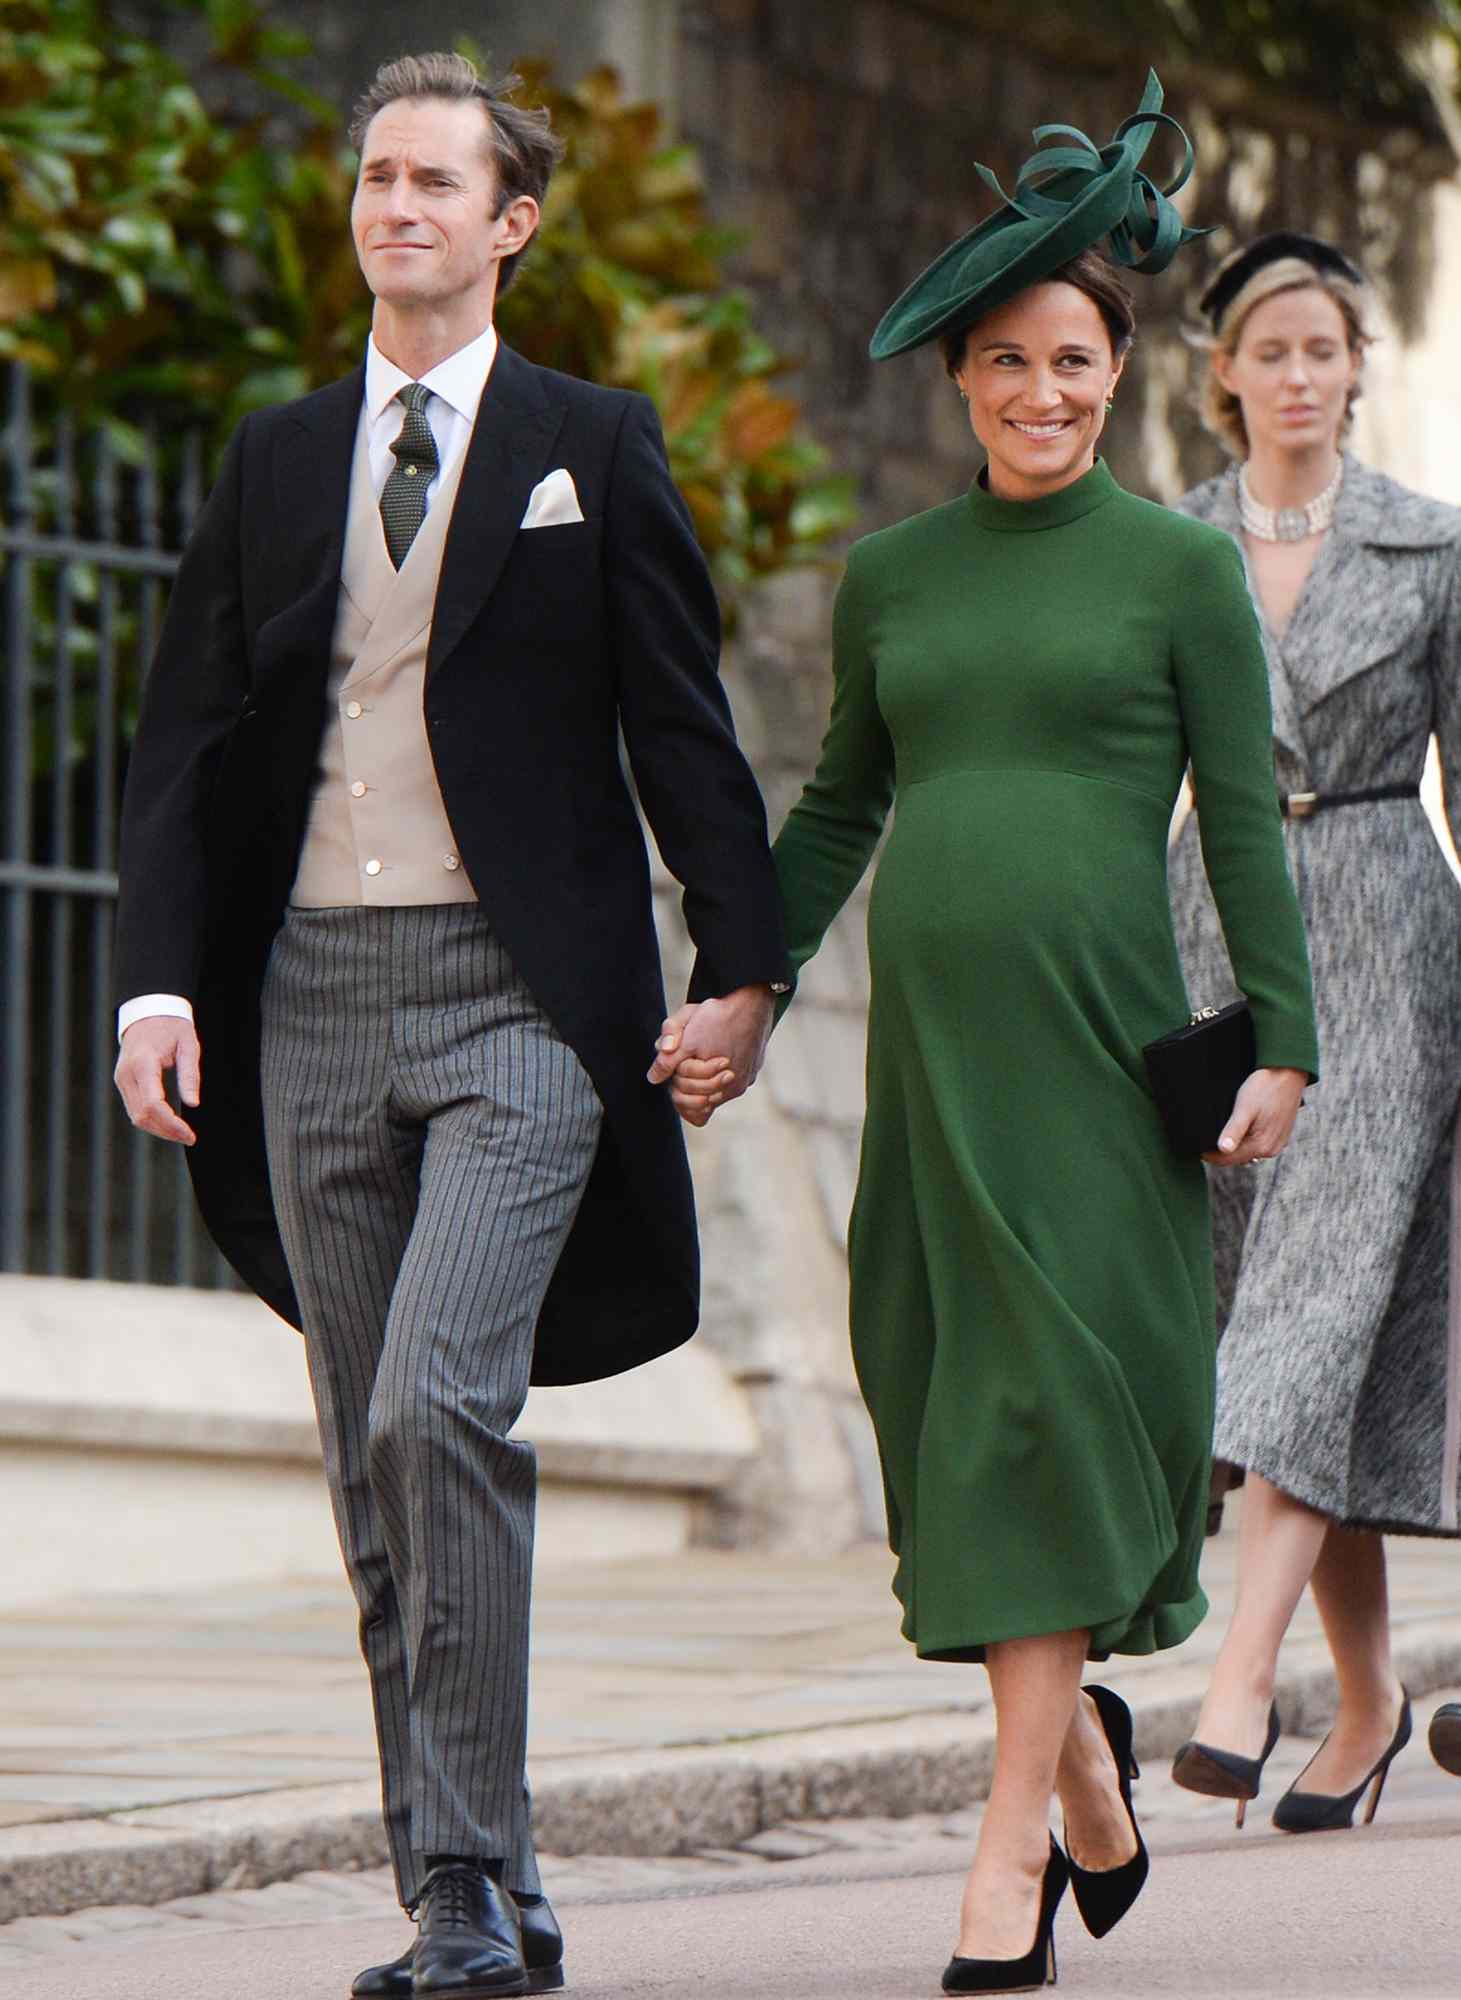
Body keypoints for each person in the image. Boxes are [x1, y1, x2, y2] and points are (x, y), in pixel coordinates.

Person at [112, 51, 788, 2000]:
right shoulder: (271, 457)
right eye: (377, 178)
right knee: (364, 1464)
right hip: (309, 996)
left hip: (519, 1007)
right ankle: (462, 1891)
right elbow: (189, 741)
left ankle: (473, 1870)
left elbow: (681, 726)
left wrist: (735, 970)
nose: (398, 205)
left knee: (436, 1402)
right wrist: (160, 977)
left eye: (440, 183)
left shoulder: (595, 439)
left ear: (511, 225)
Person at [652, 74, 1317, 1994]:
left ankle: (1004, 1858)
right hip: (935, 1072)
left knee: (1052, 1409)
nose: (1044, 391)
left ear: (1121, 375)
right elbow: (841, 808)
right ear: (959, 379)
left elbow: (1248, 815)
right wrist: (749, 983)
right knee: (956, 1413)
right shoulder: (892, 581)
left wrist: (1284, 1039)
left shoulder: (1183, 570)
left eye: (1078, 362)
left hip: (1104, 1065)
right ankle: (1086, 1785)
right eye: (1011, 362)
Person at [1165, 232, 1461, 1827]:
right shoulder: (1161, 544)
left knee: (1317, 1293)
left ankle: (1233, 1689)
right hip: (1207, 934)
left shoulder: (1431, 549)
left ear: (1356, 368)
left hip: (1385, 940)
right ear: (1220, 371)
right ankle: (1361, 1709)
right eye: (1266, 349)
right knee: (1285, 1324)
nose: (1296, 373)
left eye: (1322, 348)